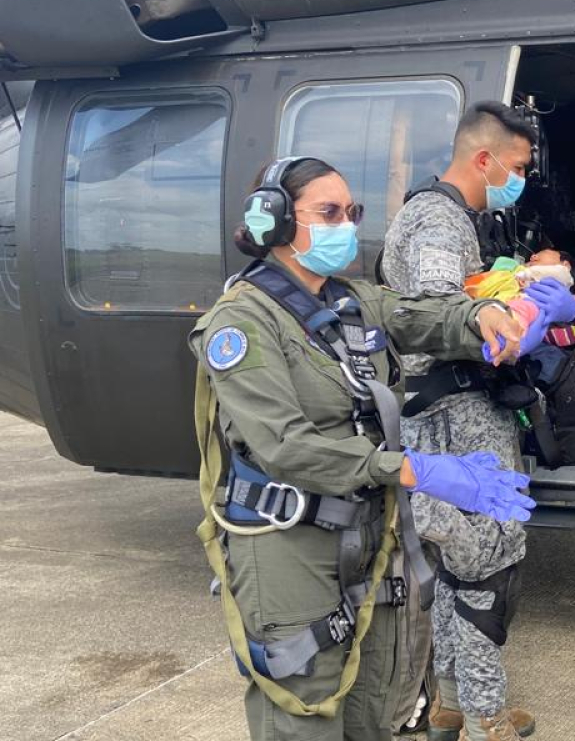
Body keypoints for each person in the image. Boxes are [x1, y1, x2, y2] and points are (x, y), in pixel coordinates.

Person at [190, 157, 537, 741]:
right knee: (306, 704)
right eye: (328, 213)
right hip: (288, 545)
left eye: (352, 213)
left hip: (364, 534)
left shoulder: (352, 302)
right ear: (273, 221)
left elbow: (423, 316)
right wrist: (411, 468)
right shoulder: (242, 323)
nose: (344, 226)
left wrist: (484, 315)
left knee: (377, 697)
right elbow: (286, 446)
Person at [382, 102, 575, 741]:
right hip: (458, 409)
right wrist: (532, 313)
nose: (521, 178)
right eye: (518, 166)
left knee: (447, 560)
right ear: (484, 159)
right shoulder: (440, 221)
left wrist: (514, 281)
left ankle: (450, 707)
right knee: (488, 560)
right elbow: (444, 312)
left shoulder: (447, 214)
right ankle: (489, 716)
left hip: (434, 408)